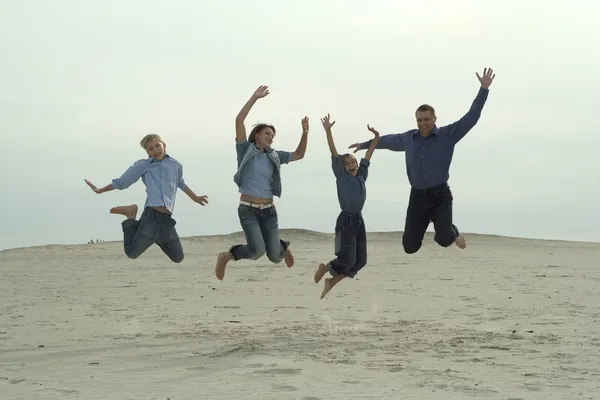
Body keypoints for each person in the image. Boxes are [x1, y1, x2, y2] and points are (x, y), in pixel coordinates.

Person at [348, 67, 496, 254]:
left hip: (440, 196)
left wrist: (484, 89)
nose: (423, 123)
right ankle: (439, 225)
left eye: (426, 119)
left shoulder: (447, 135)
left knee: (443, 239)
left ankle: (451, 230)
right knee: (410, 247)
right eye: (419, 120)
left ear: (434, 118)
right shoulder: (408, 138)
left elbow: (472, 117)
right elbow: (386, 141)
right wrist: (364, 144)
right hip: (417, 197)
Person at [215, 85, 309, 280]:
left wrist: (305, 133)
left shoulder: (275, 155)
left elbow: (299, 154)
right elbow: (239, 120)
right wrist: (254, 98)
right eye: (267, 133)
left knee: (275, 257)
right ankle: (227, 256)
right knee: (257, 251)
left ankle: (281, 246)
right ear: (257, 134)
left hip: (269, 210)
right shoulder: (245, 149)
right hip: (248, 209)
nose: (270, 137)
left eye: (273, 136)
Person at [84, 133, 208, 263]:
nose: (155, 150)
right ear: (147, 152)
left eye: (157, 146)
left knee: (178, 257)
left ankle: (156, 238)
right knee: (132, 253)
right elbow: (122, 182)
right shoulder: (143, 165)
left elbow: (180, 182)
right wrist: (100, 190)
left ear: (164, 146)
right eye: (150, 149)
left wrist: (195, 197)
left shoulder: (176, 165)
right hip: (152, 216)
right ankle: (130, 215)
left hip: (167, 220)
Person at [314, 114, 380, 299]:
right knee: (348, 259)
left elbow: (369, 153)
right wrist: (328, 131)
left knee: (360, 261)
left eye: (353, 161)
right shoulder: (342, 176)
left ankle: (331, 281)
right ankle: (325, 268)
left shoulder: (361, 175)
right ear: (342, 168)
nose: (351, 164)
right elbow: (334, 152)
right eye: (347, 163)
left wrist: (375, 137)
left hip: (359, 220)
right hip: (346, 220)